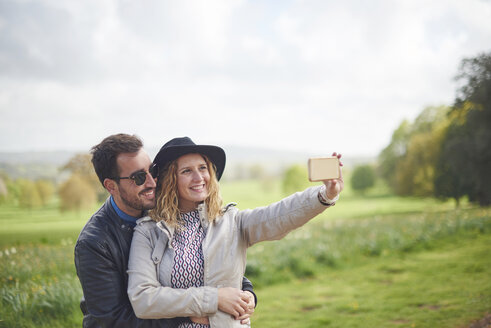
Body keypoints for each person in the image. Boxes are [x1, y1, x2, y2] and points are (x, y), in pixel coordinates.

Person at [127, 137, 343, 327]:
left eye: (203, 168)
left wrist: (325, 195)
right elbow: (143, 298)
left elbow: (279, 215)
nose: (198, 177)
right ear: (169, 180)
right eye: (186, 171)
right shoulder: (148, 231)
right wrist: (215, 298)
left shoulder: (231, 222)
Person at [74, 134, 256, 327]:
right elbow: (113, 320)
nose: (152, 182)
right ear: (111, 186)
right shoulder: (93, 243)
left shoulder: (161, 208)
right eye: (139, 177)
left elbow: (204, 260)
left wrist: (246, 293)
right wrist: (186, 316)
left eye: (152, 171)